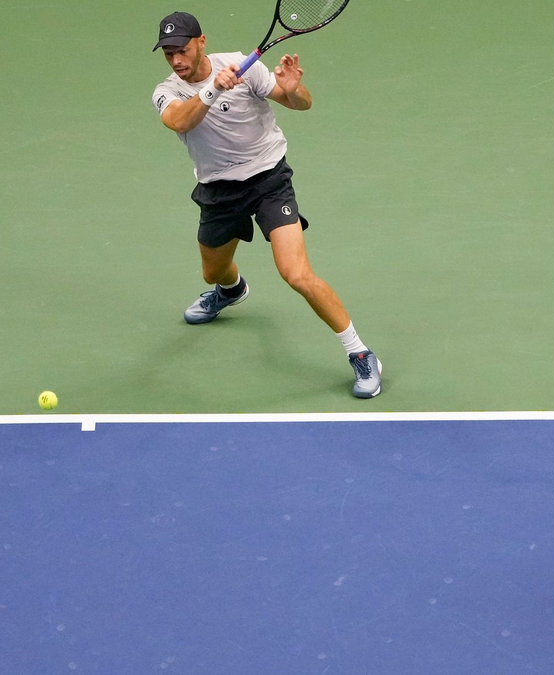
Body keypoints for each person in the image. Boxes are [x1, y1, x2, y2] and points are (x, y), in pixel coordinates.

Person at [150, 11, 382, 398]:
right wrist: (213, 90)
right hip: (219, 192)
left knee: (296, 273)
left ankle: (360, 353)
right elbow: (179, 122)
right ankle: (231, 290)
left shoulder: (245, 66)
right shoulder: (166, 90)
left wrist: (291, 90)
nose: (176, 60)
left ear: (201, 42)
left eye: (183, 50)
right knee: (213, 272)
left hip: (268, 180)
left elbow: (302, 104)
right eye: (169, 53)